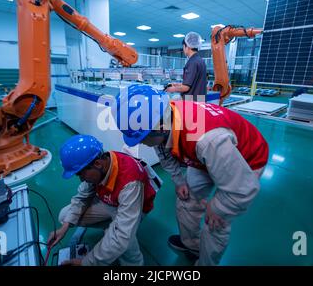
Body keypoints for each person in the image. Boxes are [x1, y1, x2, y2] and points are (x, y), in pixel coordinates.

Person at [113, 84, 269, 266]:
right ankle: (193, 246)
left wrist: (219, 207)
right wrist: (179, 181)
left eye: (143, 137)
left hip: (245, 160)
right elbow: (163, 151)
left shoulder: (208, 140)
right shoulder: (164, 116)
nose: (142, 143)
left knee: (216, 223)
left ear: (160, 128)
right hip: (203, 156)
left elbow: (242, 188)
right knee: (187, 201)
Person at [47, 134, 157, 266]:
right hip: (112, 203)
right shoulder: (101, 162)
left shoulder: (130, 183)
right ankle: (112, 226)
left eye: (81, 174)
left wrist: (86, 262)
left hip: (135, 207)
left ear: (98, 164)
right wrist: (64, 228)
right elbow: (82, 197)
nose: (81, 179)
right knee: (65, 216)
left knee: (124, 240)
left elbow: (121, 236)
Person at [166, 32, 207, 101]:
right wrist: (178, 85)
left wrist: (172, 89)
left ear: (187, 46)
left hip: (190, 100)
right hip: (200, 99)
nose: (183, 49)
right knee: (199, 112)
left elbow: (186, 88)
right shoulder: (201, 61)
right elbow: (195, 83)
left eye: (183, 47)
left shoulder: (192, 62)